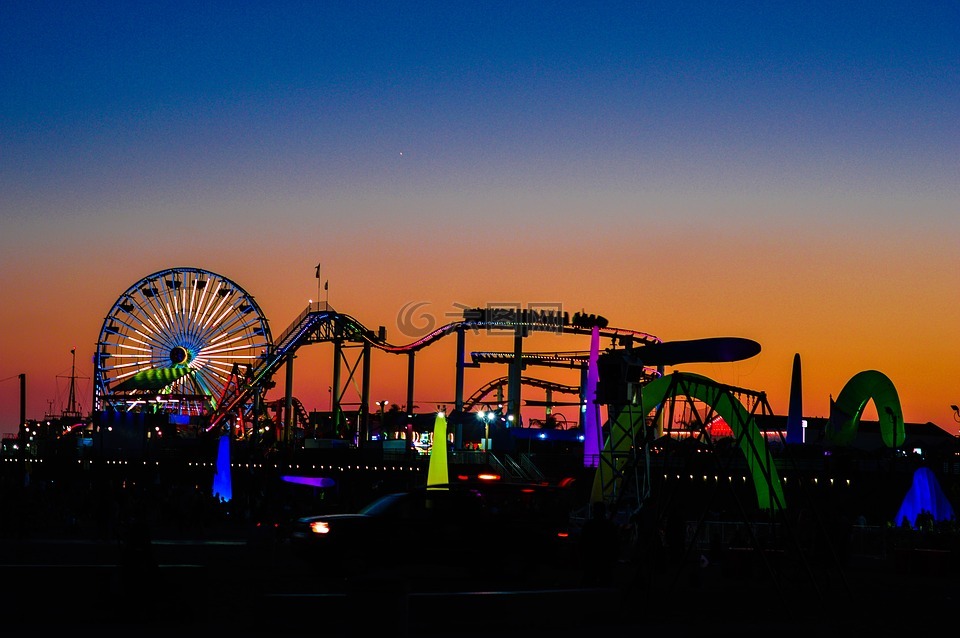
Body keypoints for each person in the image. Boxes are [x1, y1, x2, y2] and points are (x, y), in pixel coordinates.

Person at [577, 501, 620, 586]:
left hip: (592, 559)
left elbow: (582, 543)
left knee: (588, 582)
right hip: (604, 559)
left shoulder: (589, 526)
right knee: (605, 582)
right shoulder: (609, 526)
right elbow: (615, 543)